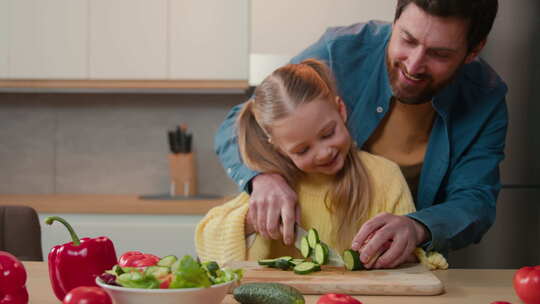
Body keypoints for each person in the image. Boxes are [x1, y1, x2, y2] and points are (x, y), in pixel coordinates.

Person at [214, 0, 507, 269]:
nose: (414, 65)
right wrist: (263, 177)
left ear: (473, 51)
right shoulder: (339, 50)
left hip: (401, 265)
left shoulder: (486, 97)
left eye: (440, 54)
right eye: (407, 39)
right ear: (395, 22)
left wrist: (418, 227)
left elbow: (475, 201)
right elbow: (246, 119)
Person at [196, 59, 447, 270]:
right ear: (279, 148)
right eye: (302, 149)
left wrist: (400, 248)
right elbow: (206, 242)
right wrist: (251, 220)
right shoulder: (276, 186)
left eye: (328, 133)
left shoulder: (385, 176)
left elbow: (411, 260)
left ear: (341, 110)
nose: (323, 152)